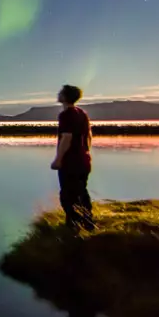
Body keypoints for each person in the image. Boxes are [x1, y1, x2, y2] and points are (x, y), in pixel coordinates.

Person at [51, 84, 95, 230]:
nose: (58, 93)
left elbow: (66, 138)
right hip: (84, 161)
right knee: (81, 192)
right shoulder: (82, 113)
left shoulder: (66, 115)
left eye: (61, 92)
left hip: (71, 162)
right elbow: (88, 137)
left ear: (65, 96)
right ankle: (85, 222)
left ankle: (77, 225)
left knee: (67, 196)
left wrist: (58, 159)